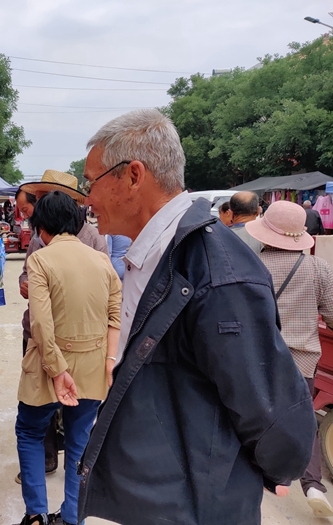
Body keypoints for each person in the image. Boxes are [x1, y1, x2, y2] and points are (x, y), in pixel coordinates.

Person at [78, 109, 316, 525]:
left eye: (91, 181)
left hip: (193, 506)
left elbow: (268, 408)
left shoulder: (215, 270)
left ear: (134, 176)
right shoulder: (158, 255)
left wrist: (280, 464)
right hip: (159, 497)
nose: (87, 199)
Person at [15, 191, 121, 525]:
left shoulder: (41, 259)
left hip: (49, 365)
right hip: (92, 365)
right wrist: (109, 362)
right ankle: (73, 517)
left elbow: (41, 323)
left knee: (30, 432)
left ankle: (36, 515)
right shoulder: (101, 260)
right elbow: (116, 314)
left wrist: (58, 370)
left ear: (41, 227)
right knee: (79, 440)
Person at [246, 200, 333, 518]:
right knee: (305, 423)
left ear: (266, 233)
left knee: (254, 419)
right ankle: (312, 485)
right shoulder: (318, 269)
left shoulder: (250, 265)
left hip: (258, 359)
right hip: (302, 362)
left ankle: (260, 480)